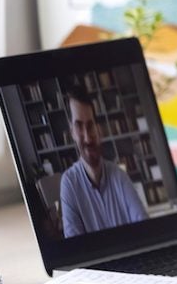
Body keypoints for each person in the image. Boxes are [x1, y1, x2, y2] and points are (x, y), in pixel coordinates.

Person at [59, 84, 148, 237]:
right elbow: (76, 248)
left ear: (98, 129)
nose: (87, 137)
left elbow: (145, 228)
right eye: (79, 126)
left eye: (90, 125)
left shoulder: (119, 175)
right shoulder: (69, 184)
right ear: (72, 132)